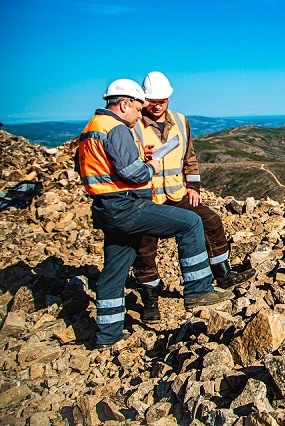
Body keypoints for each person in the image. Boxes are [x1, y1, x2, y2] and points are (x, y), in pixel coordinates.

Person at [77, 78, 233, 348]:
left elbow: (105, 165)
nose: (141, 112)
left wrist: (140, 153)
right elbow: (133, 174)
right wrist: (152, 166)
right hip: (127, 205)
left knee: (113, 273)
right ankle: (198, 289)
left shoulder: (92, 128)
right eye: (138, 107)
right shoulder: (115, 128)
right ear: (124, 103)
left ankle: (107, 335)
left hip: (106, 207)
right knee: (190, 223)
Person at [132, 71, 254, 322]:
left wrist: (193, 188)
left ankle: (222, 272)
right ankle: (150, 298)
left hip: (177, 192)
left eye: (162, 101)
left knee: (210, 221)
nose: (157, 106)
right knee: (144, 244)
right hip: (148, 196)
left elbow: (189, 158)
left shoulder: (180, 120)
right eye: (153, 101)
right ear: (144, 100)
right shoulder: (133, 125)